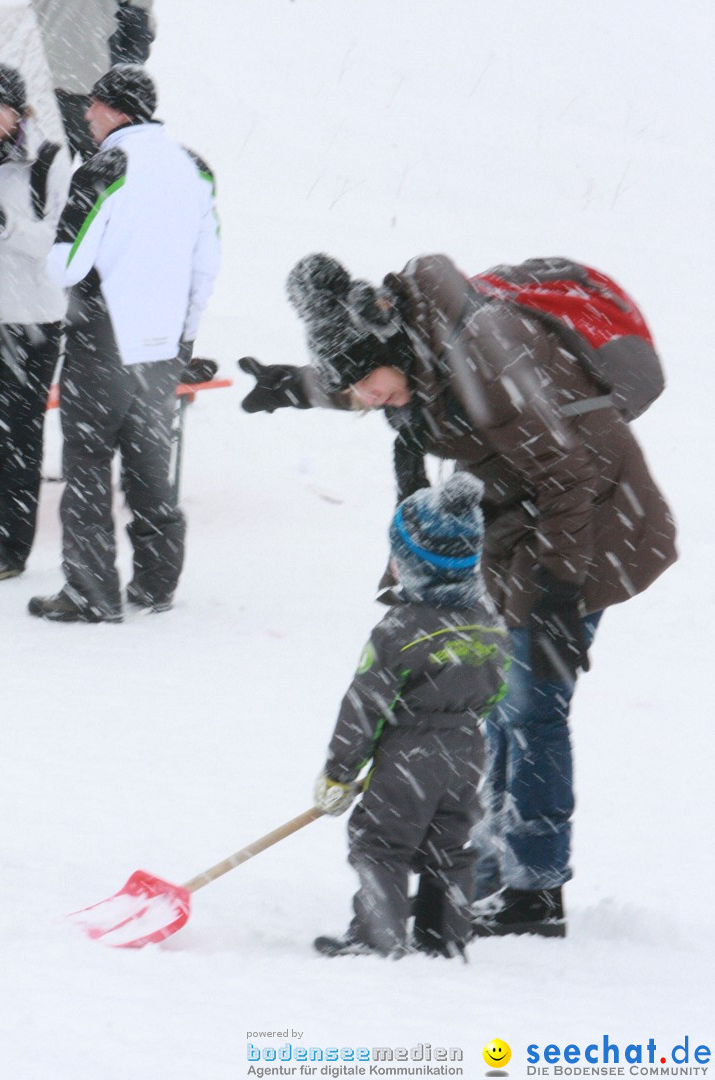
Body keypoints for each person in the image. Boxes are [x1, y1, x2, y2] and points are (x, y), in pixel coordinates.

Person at [239, 251, 678, 936]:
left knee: (531, 712)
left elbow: (570, 474)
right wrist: (295, 386)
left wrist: (561, 600)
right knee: (500, 706)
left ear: (392, 353)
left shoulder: (485, 361)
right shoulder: (410, 352)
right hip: (521, 531)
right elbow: (369, 379)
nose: (368, 400)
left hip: (587, 530)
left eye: (368, 386)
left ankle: (534, 891)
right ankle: (493, 868)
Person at [28, 65, 220, 623]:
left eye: (93, 105)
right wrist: (184, 334)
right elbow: (207, 264)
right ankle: (157, 582)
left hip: (104, 338)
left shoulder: (106, 166)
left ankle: (91, 592)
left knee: (87, 465)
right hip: (163, 347)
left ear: (116, 109)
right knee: (151, 465)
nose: (86, 114)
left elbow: (68, 264)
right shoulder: (194, 168)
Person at [312, 472, 509, 958]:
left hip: (408, 754)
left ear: (407, 566)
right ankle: (445, 937)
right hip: (466, 751)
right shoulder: (488, 620)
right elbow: (496, 687)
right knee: (451, 847)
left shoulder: (399, 629)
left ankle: (379, 939)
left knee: (381, 843)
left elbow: (363, 706)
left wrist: (340, 772)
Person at [0, 64, 69, 581]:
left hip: (30, 321)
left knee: (16, 436)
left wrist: (7, 225)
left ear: (16, 109)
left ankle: (8, 548)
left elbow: (62, 246)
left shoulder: (48, 161)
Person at [32, 0, 154, 161]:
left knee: (43, 174)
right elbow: (139, 25)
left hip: (60, 85)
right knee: (108, 176)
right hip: (90, 88)